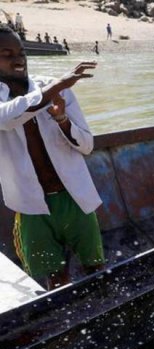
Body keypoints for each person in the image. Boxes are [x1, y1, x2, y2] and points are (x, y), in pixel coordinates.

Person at [0, 26, 104, 290]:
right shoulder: (54, 87)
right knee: (55, 281)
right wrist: (56, 86)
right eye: (7, 54)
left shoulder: (56, 89)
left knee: (97, 269)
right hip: (32, 207)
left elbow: (87, 144)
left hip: (74, 199)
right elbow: (7, 118)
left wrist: (61, 119)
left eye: (21, 52)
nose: (18, 59)